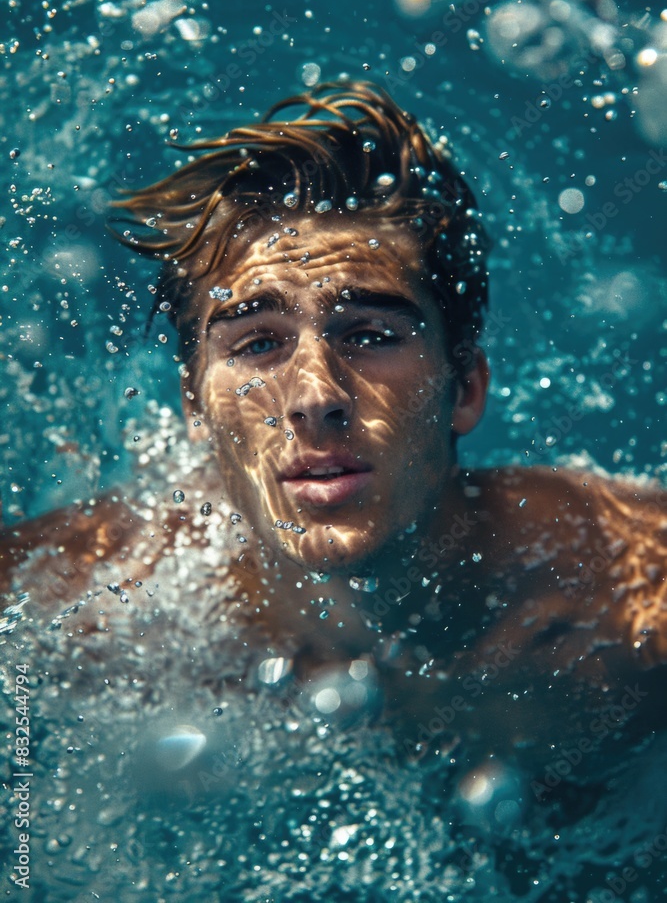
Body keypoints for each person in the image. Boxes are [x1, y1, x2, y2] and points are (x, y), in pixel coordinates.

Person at [1, 80, 666, 797]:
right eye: (257, 345)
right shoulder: (85, 607)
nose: (315, 396)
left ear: (463, 388)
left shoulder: (627, 600)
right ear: (195, 408)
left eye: (370, 335)